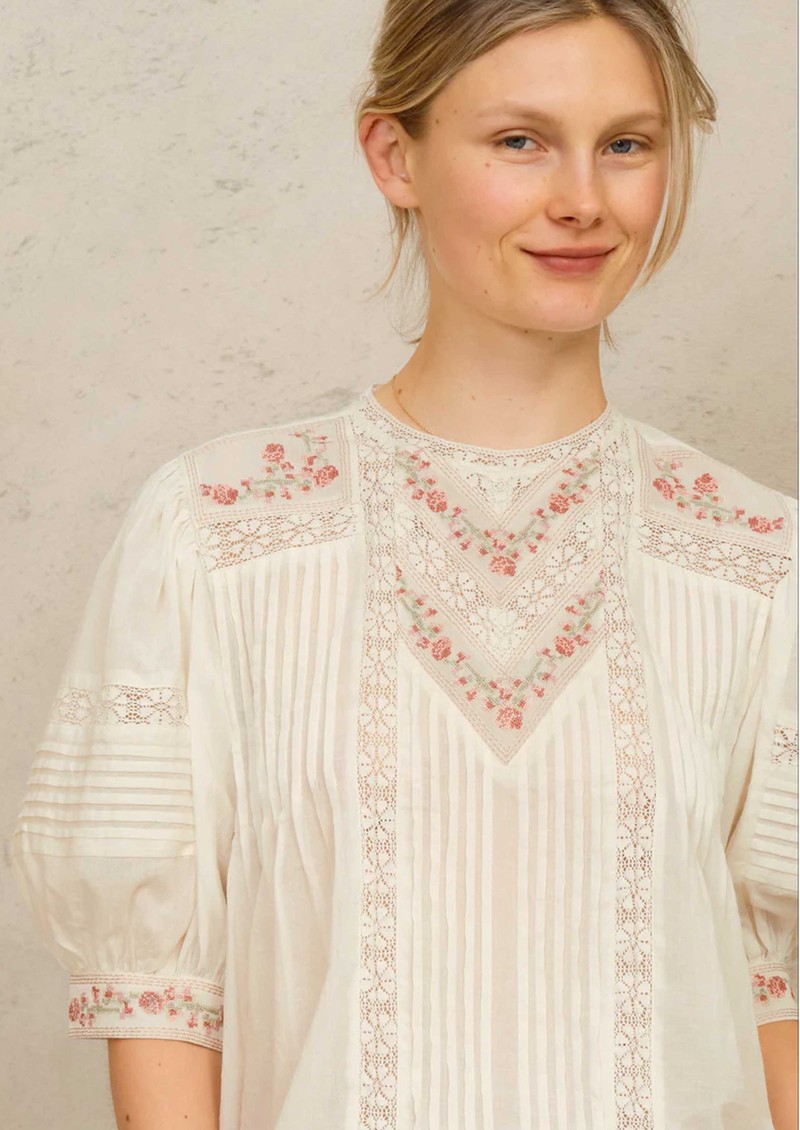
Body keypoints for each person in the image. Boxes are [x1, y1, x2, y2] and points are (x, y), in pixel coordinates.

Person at [11, 2, 797, 1128]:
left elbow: (774, 1003)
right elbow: (161, 1004)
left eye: (626, 143)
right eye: (520, 140)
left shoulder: (754, 558)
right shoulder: (216, 535)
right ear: (394, 155)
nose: (582, 197)